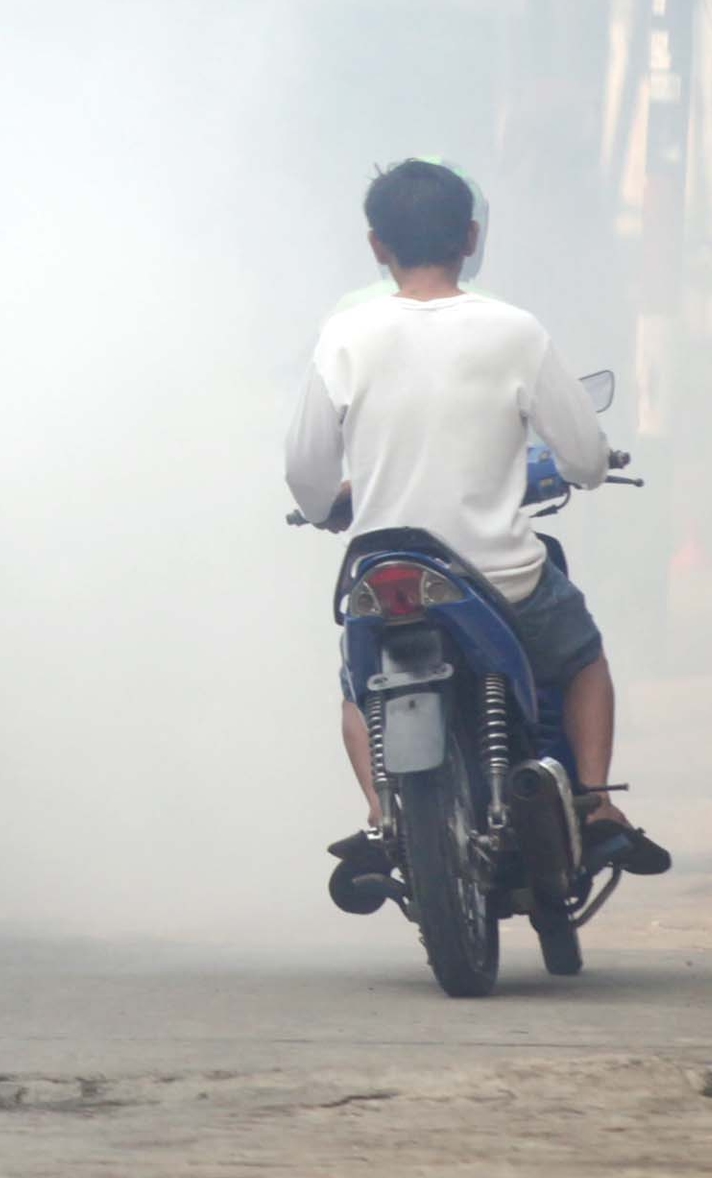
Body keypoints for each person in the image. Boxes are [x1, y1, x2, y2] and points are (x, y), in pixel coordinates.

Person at [282, 158, 668, 894]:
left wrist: (334, 503)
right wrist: (585, 470)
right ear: (470, 237)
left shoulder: (344, 337)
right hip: (501, 575)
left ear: (376, 246)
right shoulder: (515, 331)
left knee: (358, 687)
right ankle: (594, 807)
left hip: (382, 570)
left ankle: (378, 813)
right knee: (582, 657)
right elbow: (583, 456)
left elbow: (305, 472)